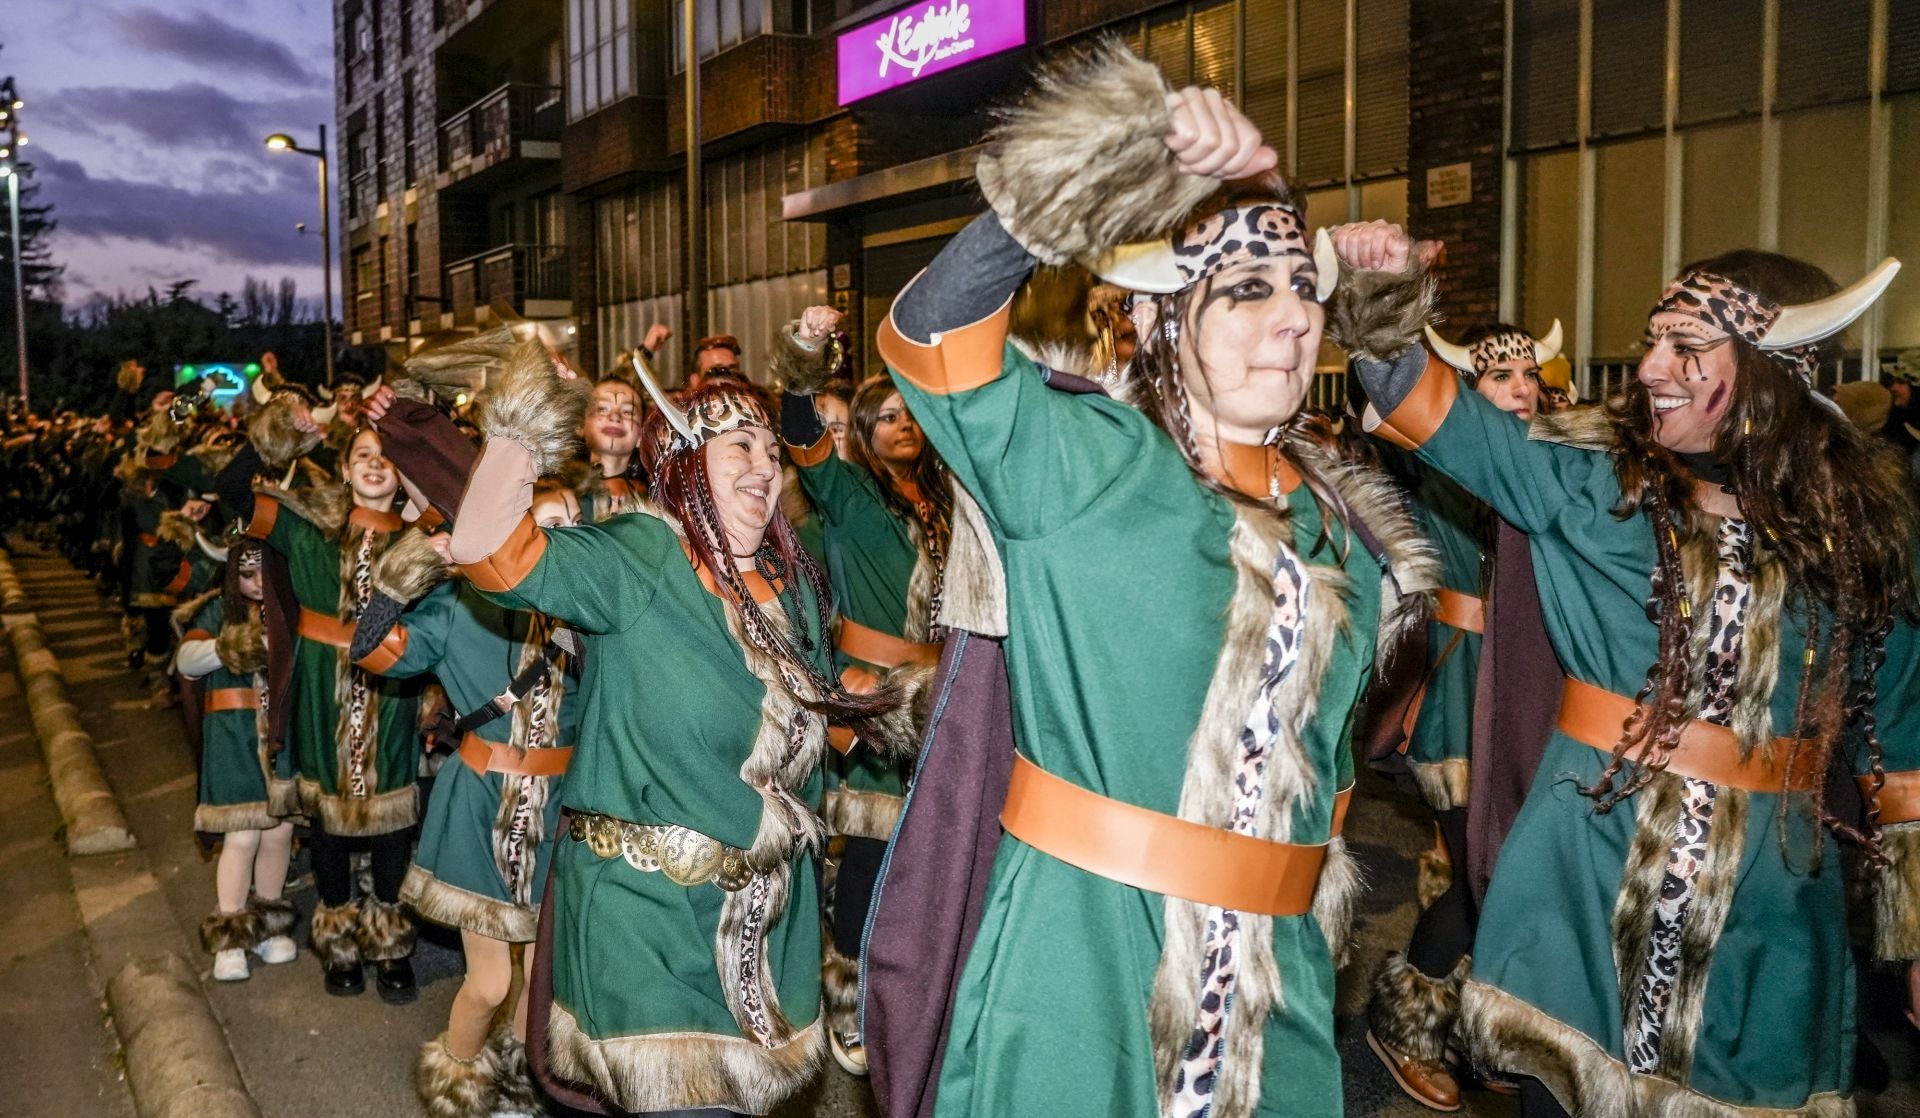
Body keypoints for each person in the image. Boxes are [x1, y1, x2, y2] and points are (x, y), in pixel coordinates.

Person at [862, 45, 1436, 1118]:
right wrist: (1109, 161)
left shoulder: (1345, 526)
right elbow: (931, 336)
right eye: (1250, 291)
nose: (1294, 316)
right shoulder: (1086, 461)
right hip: (1081, 966)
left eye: (1306, 289)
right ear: (1162, 317)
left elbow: (1327, 772)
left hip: (1284, 992)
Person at [1353, 244, 1919, 1115]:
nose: (1650, 367)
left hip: (1768, 923)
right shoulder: (1589, 486)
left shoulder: (1862, 538)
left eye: (1686, 346)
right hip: (1580, 883)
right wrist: (1377, 290)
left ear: (1773, 371)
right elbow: (1418, 398)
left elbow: (1906, 743)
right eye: (1652, 341)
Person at [443, 350, 906, 1116]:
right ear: (689, 463)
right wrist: (522, 429)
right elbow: (490, 555)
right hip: (643, 922)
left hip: (766, 936)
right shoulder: (643, 552)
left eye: (768, 448)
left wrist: (912, 708)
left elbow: (827, 718)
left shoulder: (787, 586)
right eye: (738, 447)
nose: (764, 464)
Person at [1365, 318, 1562, 1112]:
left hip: (1537, 695)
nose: (1521, 389)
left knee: (1515, 876)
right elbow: (1392, 416)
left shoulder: (1553, 458)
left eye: (1528, 375)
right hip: (1462, 693)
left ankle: (1476, 1029)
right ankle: (1407, 1020)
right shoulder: (1439, 464)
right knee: (1491, 881)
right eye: (1500, 378)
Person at [776, 304, 952, 1075]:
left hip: (957, 702)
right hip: (883, 702)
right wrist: (807, 355)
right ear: (867, 439)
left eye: (911, 410)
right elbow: (802, 435)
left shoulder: (963, 508)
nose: (899, 422)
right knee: (874, 852)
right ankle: (844, 998)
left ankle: (926, 1002)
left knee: (945, 861)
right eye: (882, 415)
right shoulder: (850, 498)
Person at [220, 400, 433, 1003]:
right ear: (341, 469)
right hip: (319, 692)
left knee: (393, 823)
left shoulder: (424, 537)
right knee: (330, 825)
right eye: (361, 454)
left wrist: (415, 432)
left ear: (401, 476)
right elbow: (233, 485)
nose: (373, 464)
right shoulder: (308, 526)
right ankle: (339, 938)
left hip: (393, 693)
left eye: (386, 458)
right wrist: (291, 434)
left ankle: (390, 943)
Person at [175, 536, 299, 982]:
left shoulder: (293, 608)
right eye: (247, 573)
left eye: (265, 571)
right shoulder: (217, 612)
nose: (257, 582)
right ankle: (230, 935)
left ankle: (268, 924)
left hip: (283, 744)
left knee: (279, 835)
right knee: (242, 838)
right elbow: (185, 660)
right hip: (234, 743)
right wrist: (235, 645)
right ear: (232, 576)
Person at [579, 374, 646, 521]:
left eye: (628, 412)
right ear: (581, 426)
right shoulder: (558, 492)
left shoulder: (652, 500)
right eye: (602, 409)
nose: (615, 417)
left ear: (640, 436)